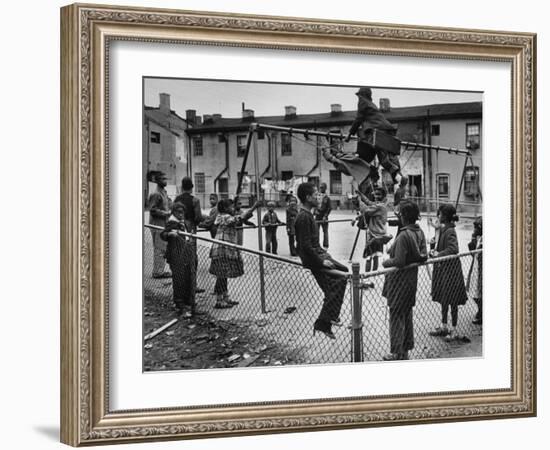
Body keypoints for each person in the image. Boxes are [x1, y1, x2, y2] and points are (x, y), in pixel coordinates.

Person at [294, 182, 349, 339]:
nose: (319, 197)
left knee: (343, 272)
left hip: (318, 254)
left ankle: (330, 314)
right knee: (338, 280)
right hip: (314, 258)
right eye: (316, 194)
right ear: (307, 197)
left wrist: (324, 255)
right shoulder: (303, 217)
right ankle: (324, 321)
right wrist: (321, 261)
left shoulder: (308, 214)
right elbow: (304, 246)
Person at [381, 200, 427, 361]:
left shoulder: (403, 235)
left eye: (399, 213)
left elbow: (399, 261)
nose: (398, 215)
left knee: (395, 316)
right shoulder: (419, 232)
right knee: (407, 315)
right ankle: (405, 349)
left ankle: (396, 351)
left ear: (404, 216)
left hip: (398, 282)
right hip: (411, 281)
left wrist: (386, 261)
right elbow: (422, 255)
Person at [209, 198, 259, 309]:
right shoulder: (223, 217)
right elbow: (238, 218)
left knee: (224, 274)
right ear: (225, 208)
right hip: (222, 249)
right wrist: (254, 207)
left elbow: (239, 219)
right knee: (221, 275)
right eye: (231, 207)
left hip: (226, 249)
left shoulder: (226, 217)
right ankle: (219, 300)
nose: (233, 208)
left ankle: (225, 297)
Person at [429, 204, 469, 341]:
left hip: (451, 270)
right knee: (443, 299)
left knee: (452, 300)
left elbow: (454, 249)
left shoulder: (450, 231)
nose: (438, 217)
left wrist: (439, 254)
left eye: (439, 214)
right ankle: (444, 325)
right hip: (443, 269)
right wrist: (433, 247)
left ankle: (454, 329)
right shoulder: (443, 229)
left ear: (445, 216)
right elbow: (440, 245)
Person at [161, 202, 196, 318]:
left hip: (185, 254)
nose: (181, 215)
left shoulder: (183, 222)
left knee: (187, 279)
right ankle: (180, 305)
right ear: (173, 212)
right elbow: (163, 234)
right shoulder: (172, 222)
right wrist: (170, 234)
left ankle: (188, 304)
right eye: (178, 212)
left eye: (182, 212)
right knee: (179, 280)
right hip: (176, 255)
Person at [174, 177, 205, 293]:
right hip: (190, 229)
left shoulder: (177, 199)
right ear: (192, 187)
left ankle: (182, 285)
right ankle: (192, 285)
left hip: (179, 228)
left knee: (180, 256)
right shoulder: (195, 200)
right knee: (192, 257)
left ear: (182, 187)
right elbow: (198, 217)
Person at [357, 186, 392, 276]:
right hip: (380, 235)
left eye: (379, 194)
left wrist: (359, 201)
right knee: (376, 256)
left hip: (374, 235)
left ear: (383, 196)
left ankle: (367, 276)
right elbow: (370, 203)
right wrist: (362, 195)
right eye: (375, 194)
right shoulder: (381, 205)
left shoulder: (379, 207)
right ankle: (373, 275)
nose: (376, 196)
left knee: (369, 257)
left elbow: (366, 210)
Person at [147, 172, 172, 278]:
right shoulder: (156, 193)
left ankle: (159, 270)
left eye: (165, 178)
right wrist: (166, 213)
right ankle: (157, 272)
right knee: (159, 248)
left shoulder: (163, 192)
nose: (165, 181)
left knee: (162, 247)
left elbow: (167, 204)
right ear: (157, 181)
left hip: (163, 223)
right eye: (162, 179)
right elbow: (152, 210)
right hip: (157, 224)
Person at [467, 216, 483, 325]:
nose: (474, 230)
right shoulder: (478, 238)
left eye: (475, 228)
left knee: (480, 292)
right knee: (474, 292)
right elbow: (473, 254)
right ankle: (480, 310)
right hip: (476, 268)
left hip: (481, 270)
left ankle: (482, 312)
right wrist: (472, 243)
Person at [314, 182, 332, 248]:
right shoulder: (317, 196)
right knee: (316, 231)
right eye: (320, 187)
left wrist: (325, 216)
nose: (321, 189)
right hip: (317, 215)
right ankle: (316, 244)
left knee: (325, 231)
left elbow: (329, 208)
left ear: (325, 188)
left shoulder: (327, 197)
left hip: (324, 215)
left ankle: (325, 245)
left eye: (322, 187)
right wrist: (315, 211)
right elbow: (314, 205)